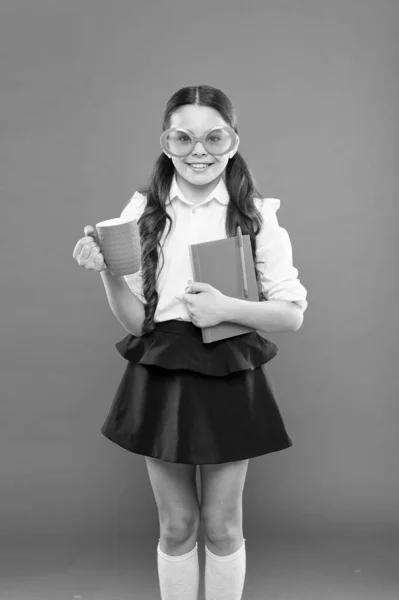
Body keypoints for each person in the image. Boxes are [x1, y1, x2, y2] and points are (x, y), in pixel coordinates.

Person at [73, 84, 308, 600]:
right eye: (183, 138)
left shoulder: (255, 213)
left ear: (233, 140)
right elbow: (137, 323)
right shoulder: (142, 211)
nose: (198, 151)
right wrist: (107, 271)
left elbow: (291, 315)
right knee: (176, 525)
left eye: (213, 137)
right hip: (163, 366)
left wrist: (227, 309)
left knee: (223, 526)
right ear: (165, 142)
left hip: (228, 366)